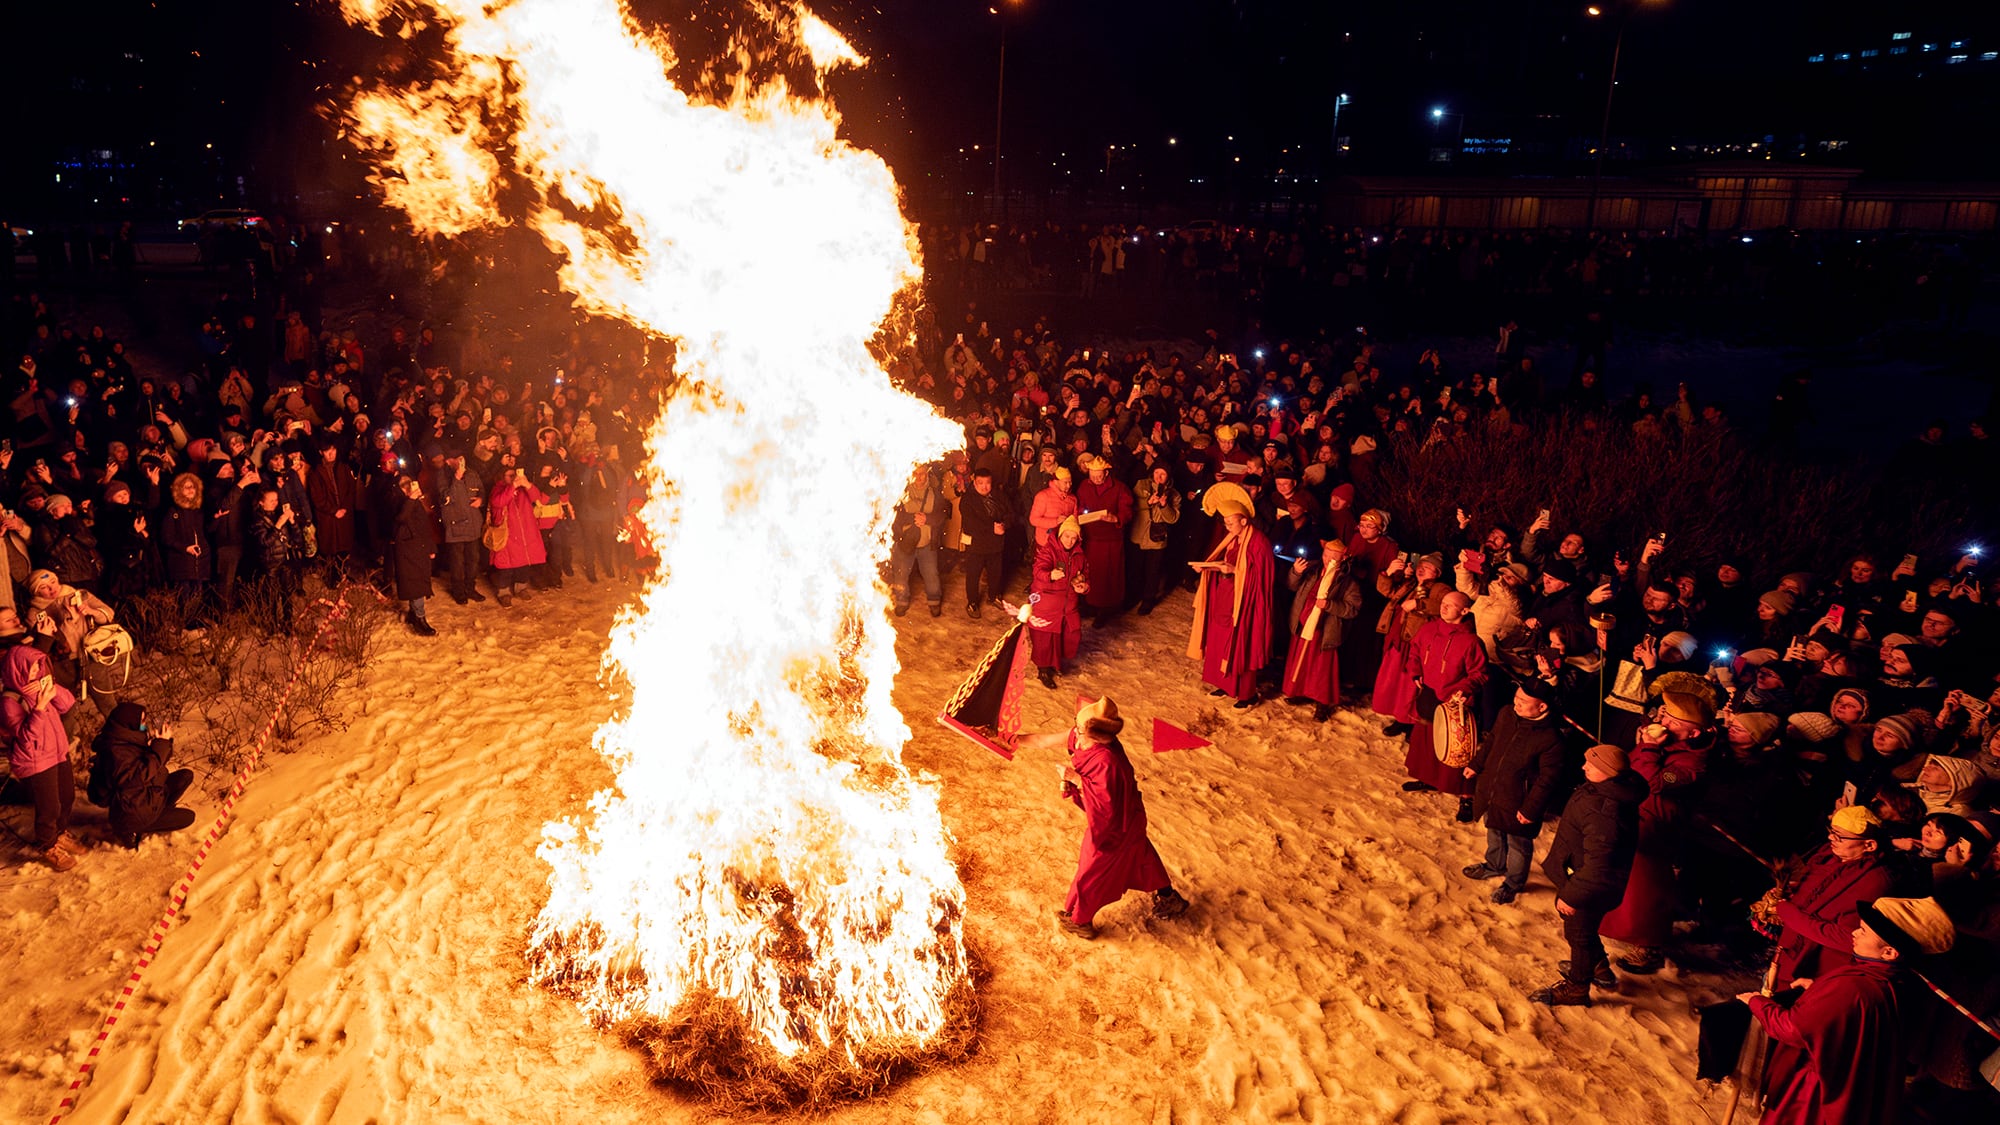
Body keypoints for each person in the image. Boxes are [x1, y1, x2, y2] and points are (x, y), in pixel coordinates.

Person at [1741, 896, 1954, 1125]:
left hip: (1814, 1096)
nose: (1854, 933)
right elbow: (1853, 1011)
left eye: (1863, 931)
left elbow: (1793, 1028)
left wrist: (1757, 1002)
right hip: (1856, 1097)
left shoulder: (1855, 986)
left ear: (1889, 952)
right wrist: (1818, 992)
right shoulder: (1894, 981)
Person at [1052, 697, 1190, 939]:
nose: (1076, 733)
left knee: (1093, 870)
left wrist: (1074, 779)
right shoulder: (1101, 742)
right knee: (1141, 855)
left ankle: (1080, 922)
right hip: (1131, 818)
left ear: (1094, 734)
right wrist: (1014, 740)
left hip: (1114, 829)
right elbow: (1046, 740)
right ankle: (1169, 897)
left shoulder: (1108, 762)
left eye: (1080, 729)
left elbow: (1105, 806)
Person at [1532, 743, 1647, 1005]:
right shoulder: (1603, 788)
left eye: (1591, 765)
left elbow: (1599, 865)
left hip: (1590, 885)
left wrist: (1572, 895)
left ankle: (1577, 987)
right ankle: (1599, 969)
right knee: (1581, 931)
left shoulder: (1604, 811)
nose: (1584, 767)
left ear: (1608, 772)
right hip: (1581, 876)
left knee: (1579, 935)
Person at [1462, 680, 1567, 904]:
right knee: (1493, 831)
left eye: (1523, 701)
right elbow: (1492, 741)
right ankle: (1494, 865)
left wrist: (1531, 809)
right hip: (1493, 790)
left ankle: (1514, 882)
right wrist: (1476, 764)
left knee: (1518, 845)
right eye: (1516, 697)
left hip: (1519, 802)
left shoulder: (1551, 739)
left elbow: (1548, 780)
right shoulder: (1507, 714)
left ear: (1542, 707)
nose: (1516, 703)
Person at [1188, 491, 1275, 708]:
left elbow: (1262, 578)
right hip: (1226, 597)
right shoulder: (1234, 538)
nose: (1227, 527)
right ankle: (1224, 684)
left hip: (1245, 603)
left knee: (1240, 644)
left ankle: (1247, 695)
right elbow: (1225, 564)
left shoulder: (1259, 543)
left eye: (1231, 523)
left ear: (1244, 521)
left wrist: (1234, 570)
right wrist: (1208, 568)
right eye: (1225, 523)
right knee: (1220, 640)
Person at [1401, 591, 1488, 807]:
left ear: (1464, 611)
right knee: (1427, 742)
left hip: (1455, 701)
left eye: (1451, 605)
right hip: (1429, 694)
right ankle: (1428, 778)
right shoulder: (1429, 628)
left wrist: (1463, 690)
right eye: (1443, 603)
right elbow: (1415, 651)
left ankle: (1467, 797)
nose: (1444, 607)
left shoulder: (1471, 642)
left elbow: (1480, 674)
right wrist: (1416, 672)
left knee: (1458, 750)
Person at [1, 644, 81, 870]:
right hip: (34, 760)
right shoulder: (9, 702)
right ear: (19, 669)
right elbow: (27, 737)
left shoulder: (39, 688)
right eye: (33, 667)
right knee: (49, 807)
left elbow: (67, 704)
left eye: (39, 665)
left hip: (56, 751)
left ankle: (59, 832)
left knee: (67, 796)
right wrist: (40, 705)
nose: (37, 670)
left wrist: (51, 688)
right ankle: (48, 845)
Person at [1280, 536, 1364, 721]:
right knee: (1301, 662)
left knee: (1321, 669)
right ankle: (1301, 691)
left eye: (1334, 557)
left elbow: (1352, 609)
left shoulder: (1347, 582)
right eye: (1326, 555)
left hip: (1324, 632)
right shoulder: (1312, 571)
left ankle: (1322, 703)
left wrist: (1329, 605)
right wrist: (1296, 572)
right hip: (1303, 626)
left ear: (1343, 558)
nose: (1328, 560)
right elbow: (1292, 586)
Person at [92, 700, 196, 848]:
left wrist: (162, 742)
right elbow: (138, 776)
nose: (144, 725)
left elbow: (157, 763)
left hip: (145, 797)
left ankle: (159, 812)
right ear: (129, 724)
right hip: (133, 813)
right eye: (141, 721)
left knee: (185, 776)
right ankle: (132, 831)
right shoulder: (116, 753)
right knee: (188, 817)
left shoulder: (127, 740)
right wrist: (158, 746)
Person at [1026, 515, 1089, 688]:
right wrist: (1050, 575)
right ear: (1060, 535)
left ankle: (1055, 664)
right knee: (1045, 640)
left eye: (1073, 538)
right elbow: (1038, 570)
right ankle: (1043, 669)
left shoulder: (1079, 556)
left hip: (1067, 605)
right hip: (1047, 602)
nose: (1069, 541)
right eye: (1067, 536)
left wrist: (1083, 586)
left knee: (1065, 636)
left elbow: (1085, 575)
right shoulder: (1048, 550)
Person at [1073, 454, 1134, 625]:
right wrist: (1082, 514)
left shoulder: (1120, 488)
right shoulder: (1084, 486)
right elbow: (1080, 506)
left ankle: (1106, 608)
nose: (1096, 479)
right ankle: (1090, 604)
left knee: (1109, 575)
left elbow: (1127, 510)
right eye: (1092, 476)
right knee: (1090, 573)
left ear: (1106, 473)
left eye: (1099, 476)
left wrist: (1116, 518)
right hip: (1091, 538)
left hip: (1111, 540)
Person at [889, 464, 945, 617]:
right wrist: (914, 518)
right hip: (905, 542)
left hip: (927, 543)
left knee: (931, 574)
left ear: (927, 474)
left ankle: (934, 601)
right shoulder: (900, 491)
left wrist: (928, 519)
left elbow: (942, 514)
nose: (919, 477)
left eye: (922, 473)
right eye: (915, 473)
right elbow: (892, 514)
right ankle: (902, 601)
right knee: (900, 574)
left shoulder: (935, 492)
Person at [959, 467, 1012, 619]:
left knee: (995, 573)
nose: (984, 486)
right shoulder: (967, 500)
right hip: (977, 545)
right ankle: (972, 602)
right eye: (980, 483)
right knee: (973, 575)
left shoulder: (999, 495)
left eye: (987, 483)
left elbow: (1010, 513)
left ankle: (994, 596)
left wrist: (1004, 525)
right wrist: (991, 528)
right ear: (974, 483)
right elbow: (970, 523)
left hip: (996, 544)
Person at [392, 477, 438, 636]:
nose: (407, 486)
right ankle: (420, 618)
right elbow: (401, 518)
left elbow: (424, 526)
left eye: (409, 483)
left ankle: (414, 613)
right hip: (407, 550)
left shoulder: (416, 502)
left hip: (420, 548)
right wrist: (411, 499)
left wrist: (431, 547)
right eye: (403, 484)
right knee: (415, 584)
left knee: (418, 583)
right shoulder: (396, 501)